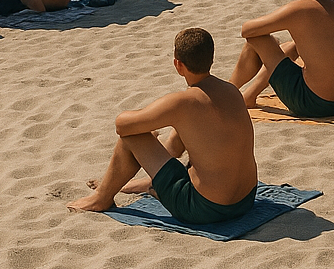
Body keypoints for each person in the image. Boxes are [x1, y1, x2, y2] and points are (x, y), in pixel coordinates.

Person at [68, 28, 257, 221]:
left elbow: (122, 125)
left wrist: (149, 127)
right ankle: (149, 183)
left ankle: (101, 198)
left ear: (177, 64)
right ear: (211, 58)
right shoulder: (231, 91)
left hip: (205, 208)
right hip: (246, 201)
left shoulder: (182, 103)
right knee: (184, 127)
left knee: (131, 137)